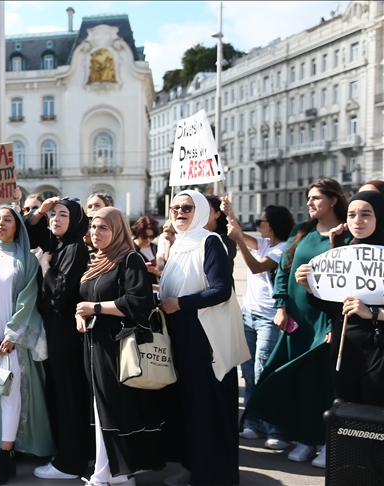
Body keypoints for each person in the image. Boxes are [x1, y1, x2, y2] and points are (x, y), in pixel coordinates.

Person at [245, 178, 349, 465]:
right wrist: (281, 305)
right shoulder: (301, 231)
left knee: (324, 385)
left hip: (326, 322)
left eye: (316, 198)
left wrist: (336, 324)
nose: (310, 204)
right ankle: (305, 438)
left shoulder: (347, 236)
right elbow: (283, 270)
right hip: (296, 320)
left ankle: (329, 442)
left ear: (333, 200)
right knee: (296, 382)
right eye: (308, 199)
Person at [295, 190, 384, 469]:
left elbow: (370, 309)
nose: (357, 220)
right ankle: (352, 470)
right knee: (347, 411)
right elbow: (333, 307)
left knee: (375, 413)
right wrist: (311, 287)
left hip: (378, 349)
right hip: (346, 346)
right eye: (352, 214)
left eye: (366, 214)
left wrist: (373, 313)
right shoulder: (346, 253)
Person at [77, 207, 165, 486]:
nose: (96, 232)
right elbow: (88, 299)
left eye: (103, 227)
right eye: (93, 227)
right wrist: (81, 314)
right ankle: (114, 472)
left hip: (118, 346)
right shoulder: (98, 260)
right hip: (95, 344)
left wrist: (95, 308)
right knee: (100, 407)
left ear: (117, 229)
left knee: (113, 408)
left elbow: (138, 302)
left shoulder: (129, 260)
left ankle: (109, 473)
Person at [158, 190, 239, 486]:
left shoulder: (210, 242)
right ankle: (193, 470)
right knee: (188, 410)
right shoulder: (180, 243)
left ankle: (212, 477)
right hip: (182, 335)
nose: (179, 212)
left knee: (206, 411)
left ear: (202, 210)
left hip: (204, 340)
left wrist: (180, 303)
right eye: (175, 207)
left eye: (187, 207)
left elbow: (221, 290)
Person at [0, 206, 54, 485]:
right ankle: (6, 446)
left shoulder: (27, 260)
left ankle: (6, 456)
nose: (1, 224)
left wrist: (12, 335)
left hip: (13, 340)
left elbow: (28, 300)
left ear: (18, 225)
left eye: (8, 219)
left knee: (10, 392)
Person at [30, 196, 94, 480]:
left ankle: (70, 463)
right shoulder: (60, 243)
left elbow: (59, 294)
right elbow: (29, 232)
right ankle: (68, 453)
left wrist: (44, 265)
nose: (55, 219)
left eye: (62, 214)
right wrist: (40, 211)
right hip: (55, 330)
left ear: (77, 220)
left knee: (69, 397)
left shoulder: (75, 248)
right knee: (60, 394)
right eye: (52, 215)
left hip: (66, 332)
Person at [225, 204, 295, 450]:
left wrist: (239, 241)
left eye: (260, 222)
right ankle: (253, 423)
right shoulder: (265, 242)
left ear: (272, 225)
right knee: (248, 372)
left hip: (268, 318)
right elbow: (238, 232)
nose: (257, 226)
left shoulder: (282, 249)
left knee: (263, 371)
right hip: (249, 315)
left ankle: (275, 426)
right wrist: (230, 212)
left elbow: (255, 266)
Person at [205, 195, 237, 273]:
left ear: (217, 214)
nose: (202, 213)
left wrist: (231, 214)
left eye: (206, 209)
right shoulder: (193, 235)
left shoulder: (226, 238)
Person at [132, 215, 162, 286]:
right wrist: (141, 267)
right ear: (137, 233)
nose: (148, 239)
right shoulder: (130, 250)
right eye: (144, 236)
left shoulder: (156, 248)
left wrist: (158, 272)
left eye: (151, 237)